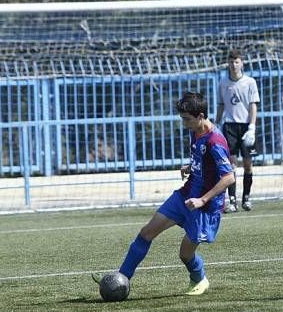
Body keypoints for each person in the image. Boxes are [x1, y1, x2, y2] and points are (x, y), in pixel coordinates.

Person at [93, 92, 235, 296]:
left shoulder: (215, 141)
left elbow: (229, 177)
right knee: (146, 233)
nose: (184, 123)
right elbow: (205, 162)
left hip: (204, 207)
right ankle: (120, 280)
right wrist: (192, 166)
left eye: (187, 119)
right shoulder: (195, 131)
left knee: (185, 254)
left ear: (201, 116)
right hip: (185, 196)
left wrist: (203, 199)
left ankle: (199, 279)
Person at [216, 49, 260, 213]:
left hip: (246, 126)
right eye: (231, 62)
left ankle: (246, 198)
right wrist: (216, 124)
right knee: (231, 165)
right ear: (228, 63)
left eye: (237, 62)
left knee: (248, 165)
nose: (234, 65)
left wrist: (252, 127)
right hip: (230, 127)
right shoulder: (223, 82)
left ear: (242, 63)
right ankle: (232, 201)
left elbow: (253, 105)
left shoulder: (249, 82)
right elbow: (221, 105)